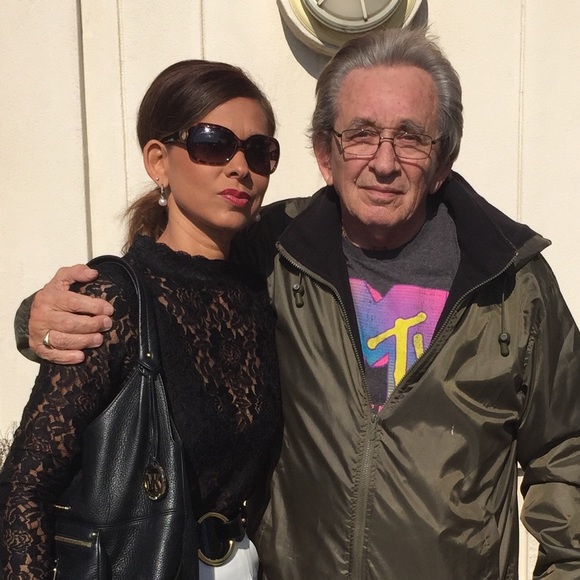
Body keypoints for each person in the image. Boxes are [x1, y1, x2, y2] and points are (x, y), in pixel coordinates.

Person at [11, 28, 580, 579]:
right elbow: (166, 285)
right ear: (325, 154)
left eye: (410, 137)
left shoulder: (511, 282)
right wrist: (35, 318)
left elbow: (566, 452)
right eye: (361, 133)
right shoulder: (277, 248)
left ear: (443, 160)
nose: (384, 162)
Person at [1, 59, 282, 579]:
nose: (240, 167)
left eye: (259, 151)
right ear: (159, 161)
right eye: (213, 143)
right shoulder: (114, 299)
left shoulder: (264, 284)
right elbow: (25, 487)